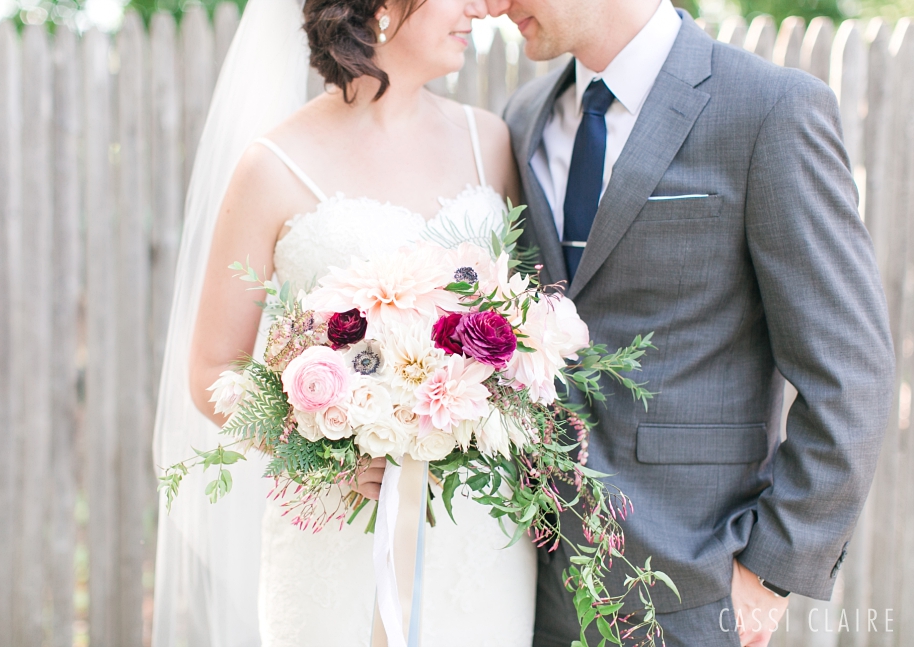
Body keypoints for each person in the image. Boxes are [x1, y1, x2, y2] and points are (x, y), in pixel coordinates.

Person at [490, 0, 895, 645]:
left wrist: (768, 575)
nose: (490, 5)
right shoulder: (522, 119)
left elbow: (852, 377)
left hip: (694, 587)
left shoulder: (769, 110)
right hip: (530, 585)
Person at [155, 0, 537, 645]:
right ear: (381, 8)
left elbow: (516, 324)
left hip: (476, 528)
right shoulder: (272, 165)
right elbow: (212, 367)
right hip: (338, 526)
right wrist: (329, 441)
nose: (480, 5)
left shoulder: (490, 141)